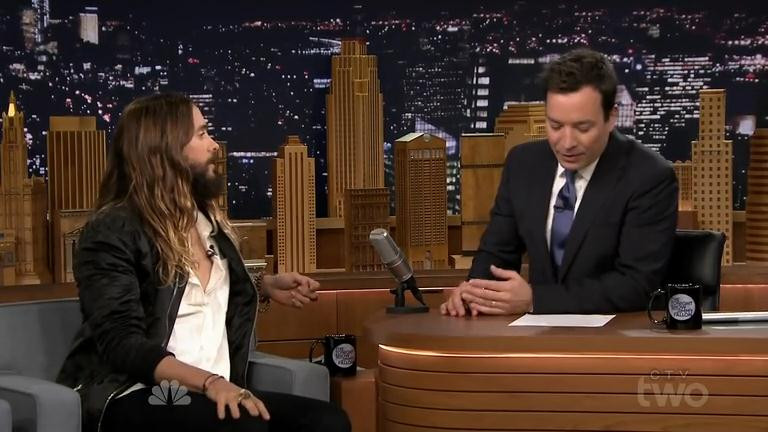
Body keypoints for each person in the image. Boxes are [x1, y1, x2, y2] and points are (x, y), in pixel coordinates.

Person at [56, 93, 350, 432]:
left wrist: (264, 285)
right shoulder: (112, 230)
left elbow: (194, 295)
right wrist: (210, 382)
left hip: (212, 389)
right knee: (244, 425)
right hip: (138, 391)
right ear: (165, 149)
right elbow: (121, 343)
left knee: (327, 422)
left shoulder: (206, 223)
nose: (214, 145)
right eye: (201, 134)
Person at [441, 48, 678, 317]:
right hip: (535, 336)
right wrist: (475, 292)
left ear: (612, 117)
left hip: (614, 335)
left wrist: (535, 300)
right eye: (555, 126)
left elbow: (637, 285)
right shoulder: (523, 164)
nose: (566, 143)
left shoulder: (649, 176)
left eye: (582, 128)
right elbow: (496, 254)